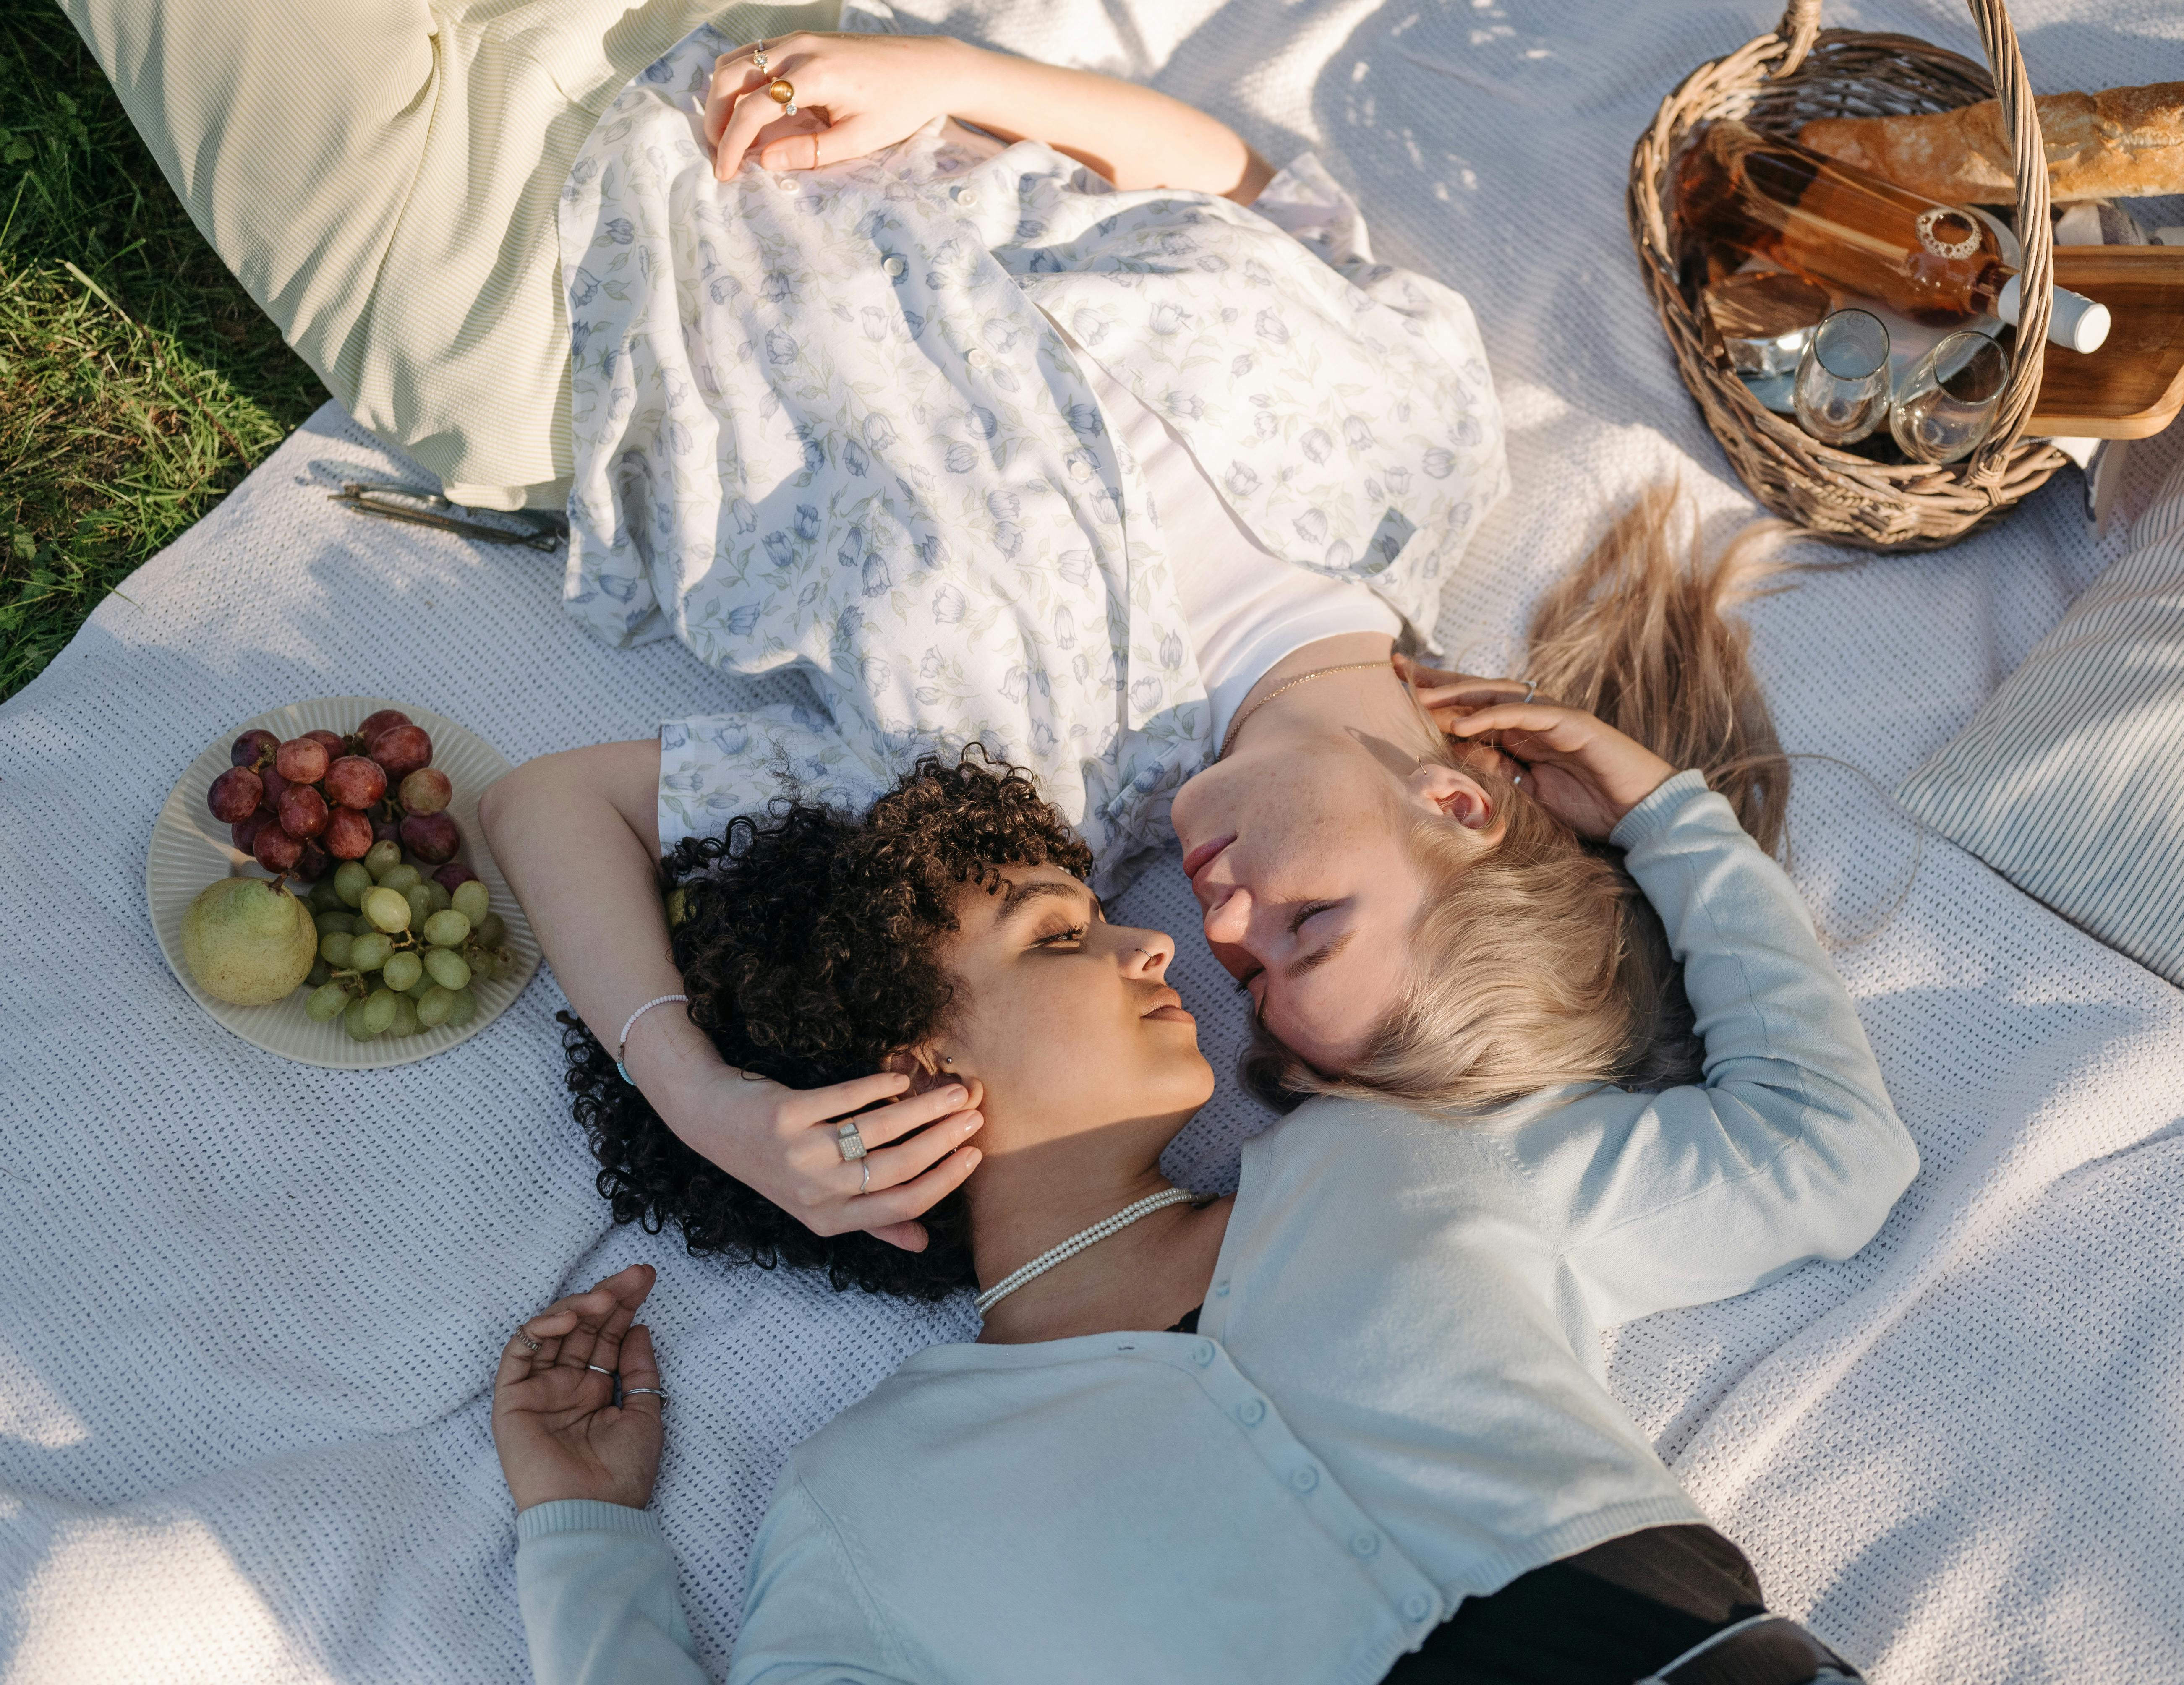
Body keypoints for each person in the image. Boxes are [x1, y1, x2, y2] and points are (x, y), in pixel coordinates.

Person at [487, 25, 1795, 1236]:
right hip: (806, 45)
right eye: (1311, 924)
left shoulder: (1016, 807)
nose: (1225, 927)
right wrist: (945, 75)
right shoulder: (1426, 463)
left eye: (1259, 982)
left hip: (554, 240)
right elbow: (1253, 193)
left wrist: (699, 1101)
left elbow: (550, 807)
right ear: (1456, 806)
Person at [491, 709, 1912, 1683]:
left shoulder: (1407, 1154)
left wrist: (1674, 822)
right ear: (909, 1066)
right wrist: (587, 1537)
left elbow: (1824, 1151)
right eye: (1060, 936)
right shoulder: (866, 1498)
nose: (1161, 946)